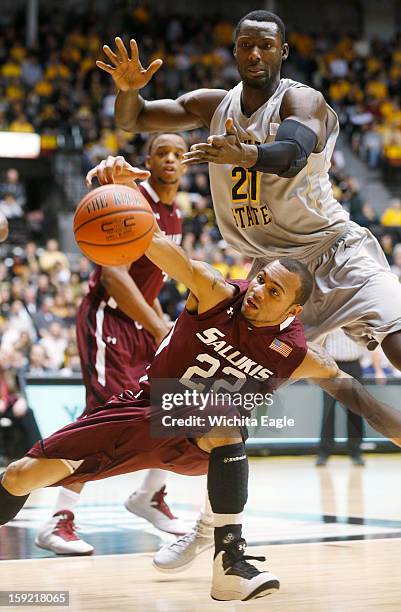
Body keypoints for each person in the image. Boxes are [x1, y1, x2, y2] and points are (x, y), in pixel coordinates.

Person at [1, 165, 401, 602]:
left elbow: (365, 404)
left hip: (200, 441)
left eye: (273, 292)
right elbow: (151, 243)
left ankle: (229, 564)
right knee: (21, 476)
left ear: (294, 310)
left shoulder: (300, 355)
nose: (259, 290)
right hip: (142, 409)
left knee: (225, 419)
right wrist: (121, 188)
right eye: (262, 279)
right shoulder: (214, 292)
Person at [96, 9, 401, 570]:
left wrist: (248, 155)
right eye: (244, 46)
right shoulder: (215, 106)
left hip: (337, 252)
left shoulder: (300, 100)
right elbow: (135, 119)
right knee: (222, 402)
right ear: (235, 51)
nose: (254, 55)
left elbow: (291, 151)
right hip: (277, 276)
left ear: (282, 52)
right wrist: (127, 92)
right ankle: (210, 525)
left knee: (399, 341)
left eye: (265, 46)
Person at [35, 135, 188, 556]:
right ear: (148, 161)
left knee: (176, 405)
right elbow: (115, 278)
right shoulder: (131, 199)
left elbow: (148, 283)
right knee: (102, 419)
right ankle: (58, 519)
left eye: (178, 153)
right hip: (108, 319)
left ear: (187, 164)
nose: (171, 159)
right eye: (162, 152)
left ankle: (150, 495)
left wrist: (163, 326)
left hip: (139, 323)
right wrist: (160, 328)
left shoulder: (174, 216)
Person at [316, 329, 365, 467]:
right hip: (332, 366)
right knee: (328, 411)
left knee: (355, 411)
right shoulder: (332, 314)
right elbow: (320, 339)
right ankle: (324, 452)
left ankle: (356, 452)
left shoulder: (358, 315)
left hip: (354, 365)